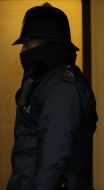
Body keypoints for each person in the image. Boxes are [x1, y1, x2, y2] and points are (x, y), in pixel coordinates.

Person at [7, 3, 97, 190]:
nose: (22, 52)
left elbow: (54, 157)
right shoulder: (42, 79)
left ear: (47, 45)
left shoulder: (61, 87)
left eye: (27, 44)